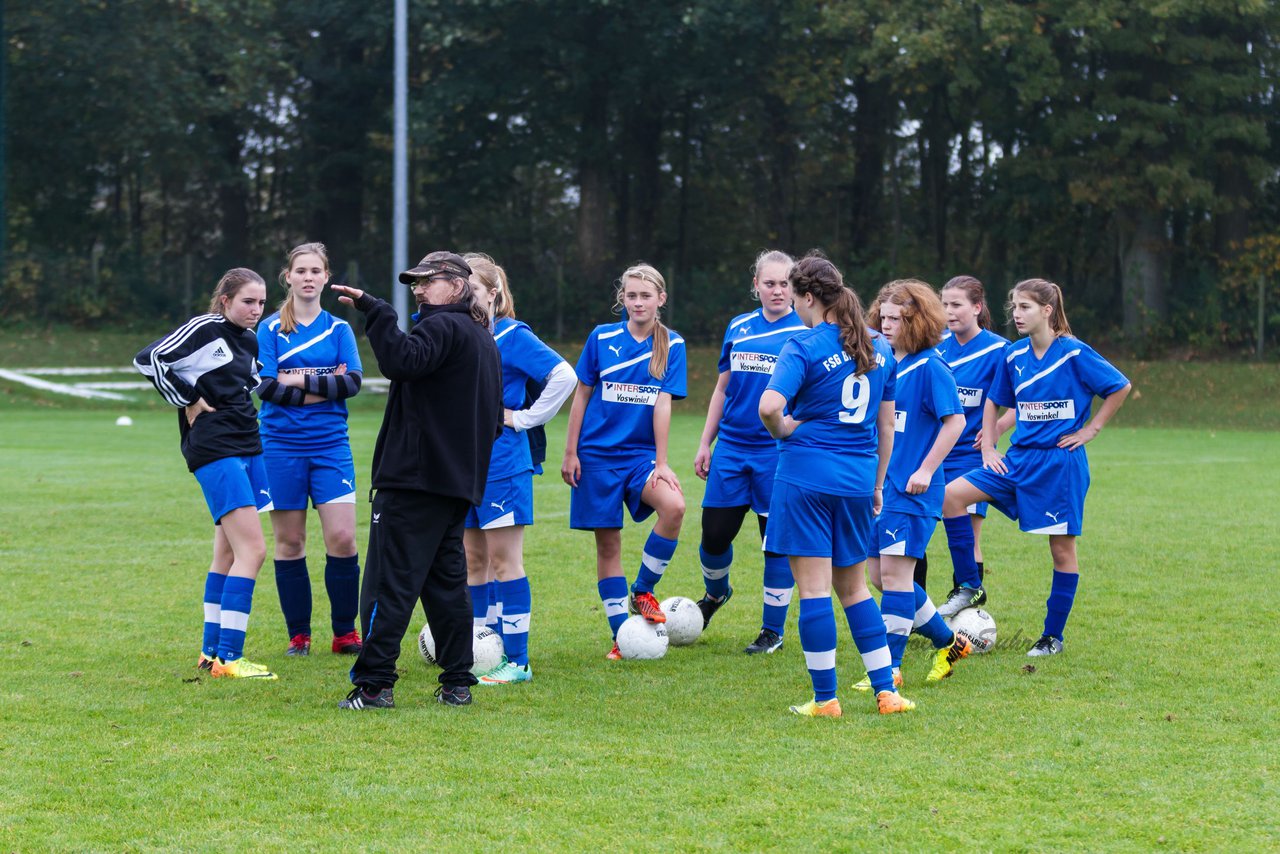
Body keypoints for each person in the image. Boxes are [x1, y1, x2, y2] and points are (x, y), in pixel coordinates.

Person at [331, 251, 503, 709]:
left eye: (428, 282)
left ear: (458, 284)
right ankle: (457, 683)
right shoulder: (481, 336)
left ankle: (374, 686)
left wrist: (378, 310)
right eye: (415, 285)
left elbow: (402, 361)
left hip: (415, 483)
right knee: (447, 588)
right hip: (453, 486)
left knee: (391, 583)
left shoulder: (443, 326)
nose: (420, 291)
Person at [758, 254, 914, 717]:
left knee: (813, 591)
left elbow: (769, 406)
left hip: (805, 478)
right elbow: (886, 427)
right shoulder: (880, 347)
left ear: (808, 297)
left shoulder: (802, 346)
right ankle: (887, 693)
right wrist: (879, 483)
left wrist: (784, 429)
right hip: (857, 481)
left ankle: (826, 699)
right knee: (856, 590)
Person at [941, 278, 1131, 656]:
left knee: (1061, 551)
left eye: (1025, 307)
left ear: (1047, 310)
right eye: (1013, 307)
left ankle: (1051, 637)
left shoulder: (1073, 353)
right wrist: (989, 447)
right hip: (1018, 460)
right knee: (950, 497)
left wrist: (1092, 428)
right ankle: (970, 585)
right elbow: (995, 401)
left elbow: (1119, 386)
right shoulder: (1013, 355)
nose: (1016, 314)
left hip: (1059, 466)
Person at [134, 268, 277, 680]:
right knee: (254, 551)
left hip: (250, 446)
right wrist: (190, 398)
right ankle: (230, 659)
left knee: (228, 553)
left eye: (262, 302)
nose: (255, 309)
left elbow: (245, 384)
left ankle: (210, 652)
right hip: (217, 449)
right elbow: (149, 359)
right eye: (248, 301)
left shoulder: (249, 341)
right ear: (226, 300)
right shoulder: (205, 328)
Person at [460, 253, 576, 685]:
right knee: (474, 560)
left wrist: (523, 419)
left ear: (494, 293)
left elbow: (564, 376)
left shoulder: (512, 335)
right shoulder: (462, 334)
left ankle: (518, 661)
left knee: (505, 561)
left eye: (473, 289)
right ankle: (480, 648)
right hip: (466, 464)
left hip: (504, 464)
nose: (466, 297)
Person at [562, 263, 687, 659]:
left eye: (645, 296)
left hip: (640, 458)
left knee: (674, 507)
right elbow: (581, 396)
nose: (637, 302)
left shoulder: (673, 345)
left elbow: (663, 405)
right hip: (595, 457)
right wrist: (570, 451)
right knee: (608, 546)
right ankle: (622, 637)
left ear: (660, 300)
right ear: (623, 298)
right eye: (631, 295)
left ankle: (644, 589)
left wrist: (662, 462)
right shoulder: (601, 337)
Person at [860, 280, 972, 691]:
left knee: (894, 577)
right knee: (879, 575)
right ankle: (949, 642)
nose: (887, 325)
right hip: (881, 489)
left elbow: (955, 421)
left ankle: (889, 668)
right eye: (883, 317)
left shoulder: (932, 366)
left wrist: (926, 469)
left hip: (913, 491)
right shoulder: (883, 362)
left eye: (897, 318)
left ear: (918, 320)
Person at [692, 250, 806, 654]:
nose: (778, 290)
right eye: (769, 283)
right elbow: (723, 388)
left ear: (796, 288)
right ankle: (717, 594)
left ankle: (772, 630)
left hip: (779, 453)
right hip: (731, 449)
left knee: (773, 541)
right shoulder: (738, 327)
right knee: (713, 537)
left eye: (785, 283)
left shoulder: (805, 332)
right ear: (755, 285)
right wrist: (706, 442)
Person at [255, 242, 364, 658]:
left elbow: (352, 383)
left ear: (325, 276)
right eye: (300, 270)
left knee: (342, 538)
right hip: (280, 447)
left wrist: (294, 380)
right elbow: (264, 387)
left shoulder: (339, 330)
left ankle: (344, 633)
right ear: (288, 277)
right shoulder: (268, 330)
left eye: (315, 270)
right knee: (290, 542)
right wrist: (324, 386)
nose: (307, 277)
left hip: (331, 445)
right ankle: (299, 635)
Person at [933, 275, 1012, 615]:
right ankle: (914, 612)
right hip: (931, 455)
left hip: (970, 457)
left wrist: (994, 430)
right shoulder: (934, 346)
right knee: (916, 536)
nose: (948, 312)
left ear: (977, 307)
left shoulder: (999, 351)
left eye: (956, 305)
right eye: (944, 304)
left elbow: (1026, 401)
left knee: (968, 535)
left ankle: (967, 615)